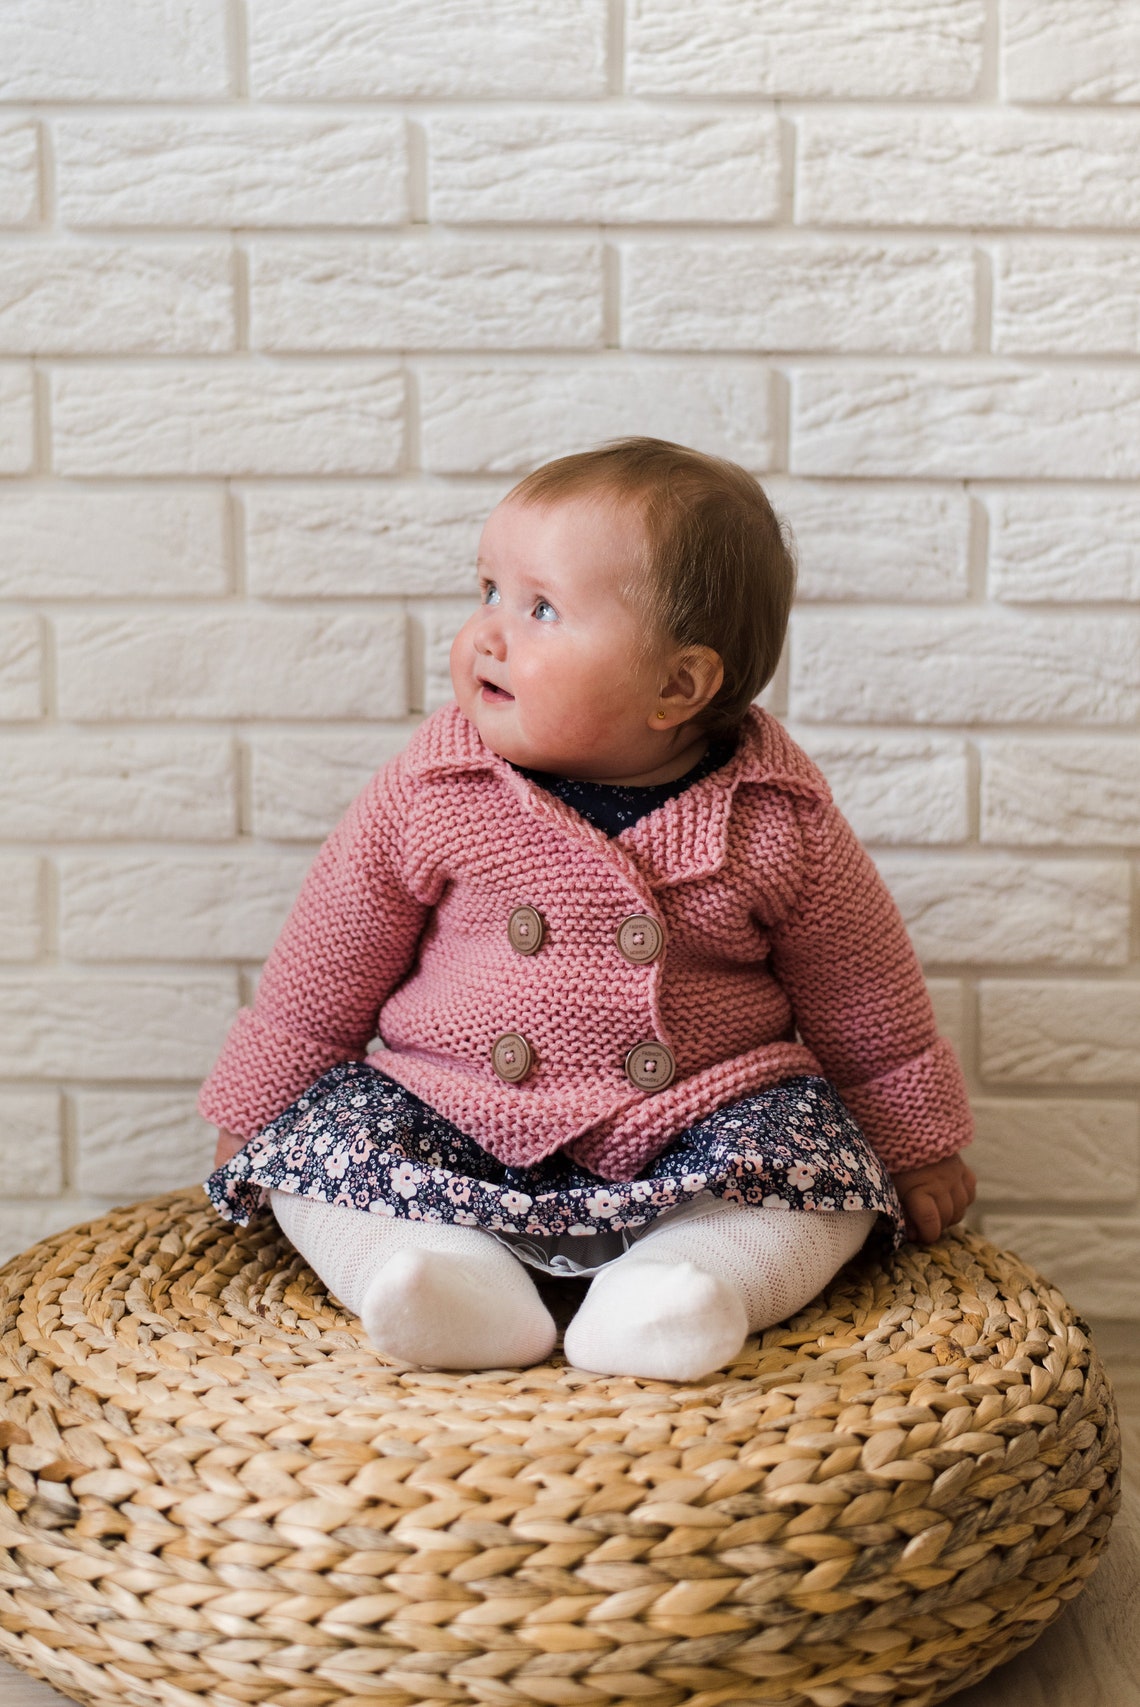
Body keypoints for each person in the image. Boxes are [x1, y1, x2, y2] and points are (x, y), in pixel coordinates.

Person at [201, 437, 976, 1381]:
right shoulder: (435, 784)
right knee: (314, 1157)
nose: (489, 633)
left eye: (540, 609)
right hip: (456, 1111)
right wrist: (261, 1105)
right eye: (487, 591)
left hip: (695, 1125)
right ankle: (445, 1282)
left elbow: (866, 995)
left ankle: (684, 1287)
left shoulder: (774, 819)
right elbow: (327, 961)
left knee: (829, 1181)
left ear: (678, 686)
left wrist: (917, 1145)